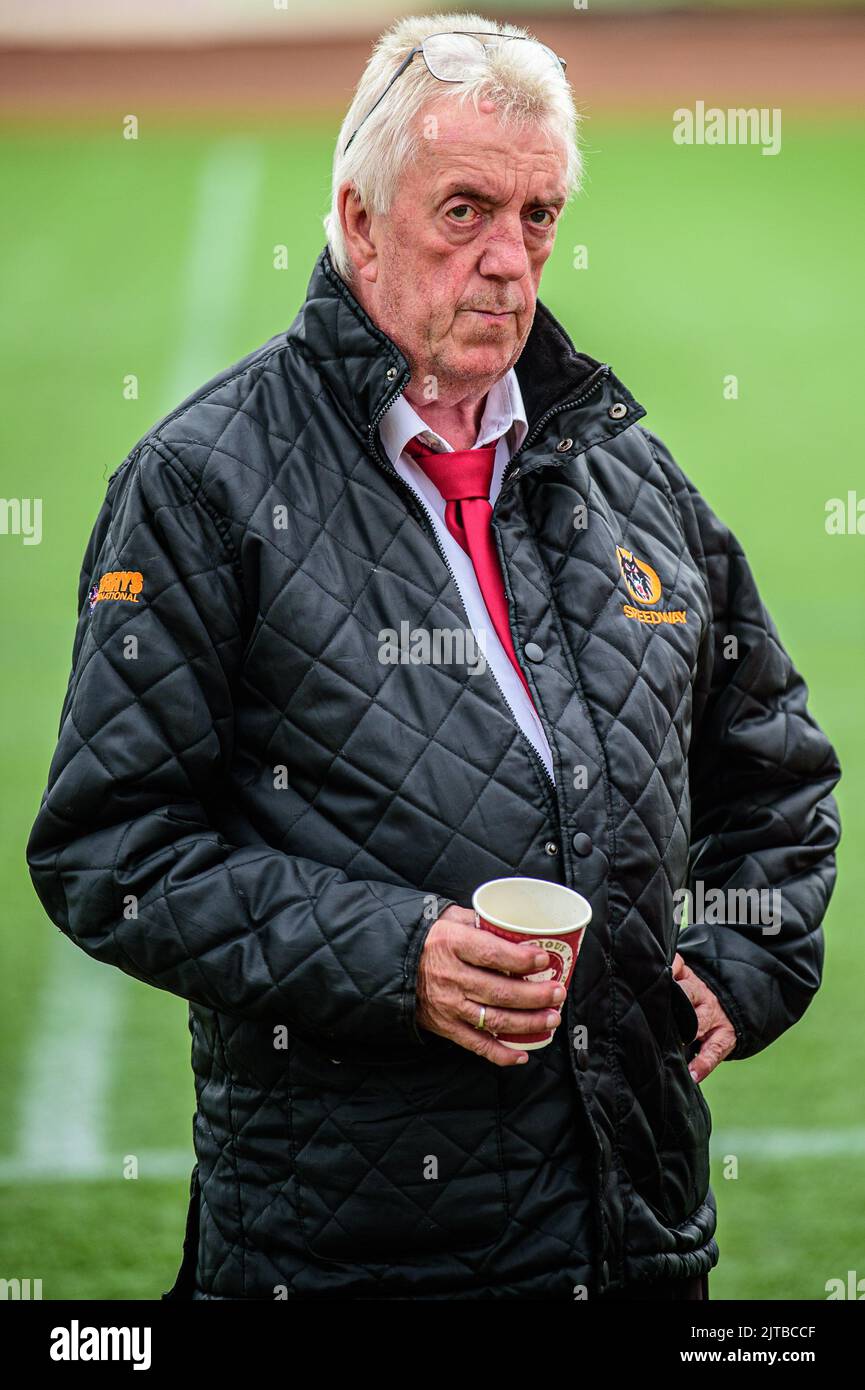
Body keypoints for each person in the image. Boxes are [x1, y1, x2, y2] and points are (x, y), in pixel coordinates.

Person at [26, 14, 841, 1300]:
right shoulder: (202, 485)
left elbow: (776, 767)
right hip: (351, 1249)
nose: (509, 261)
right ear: (359, 221)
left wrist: (749, 960)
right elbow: (109, 851)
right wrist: (397, 955)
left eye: (537, 216)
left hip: (638, 1236)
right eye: (463, 210)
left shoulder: (624, 470)